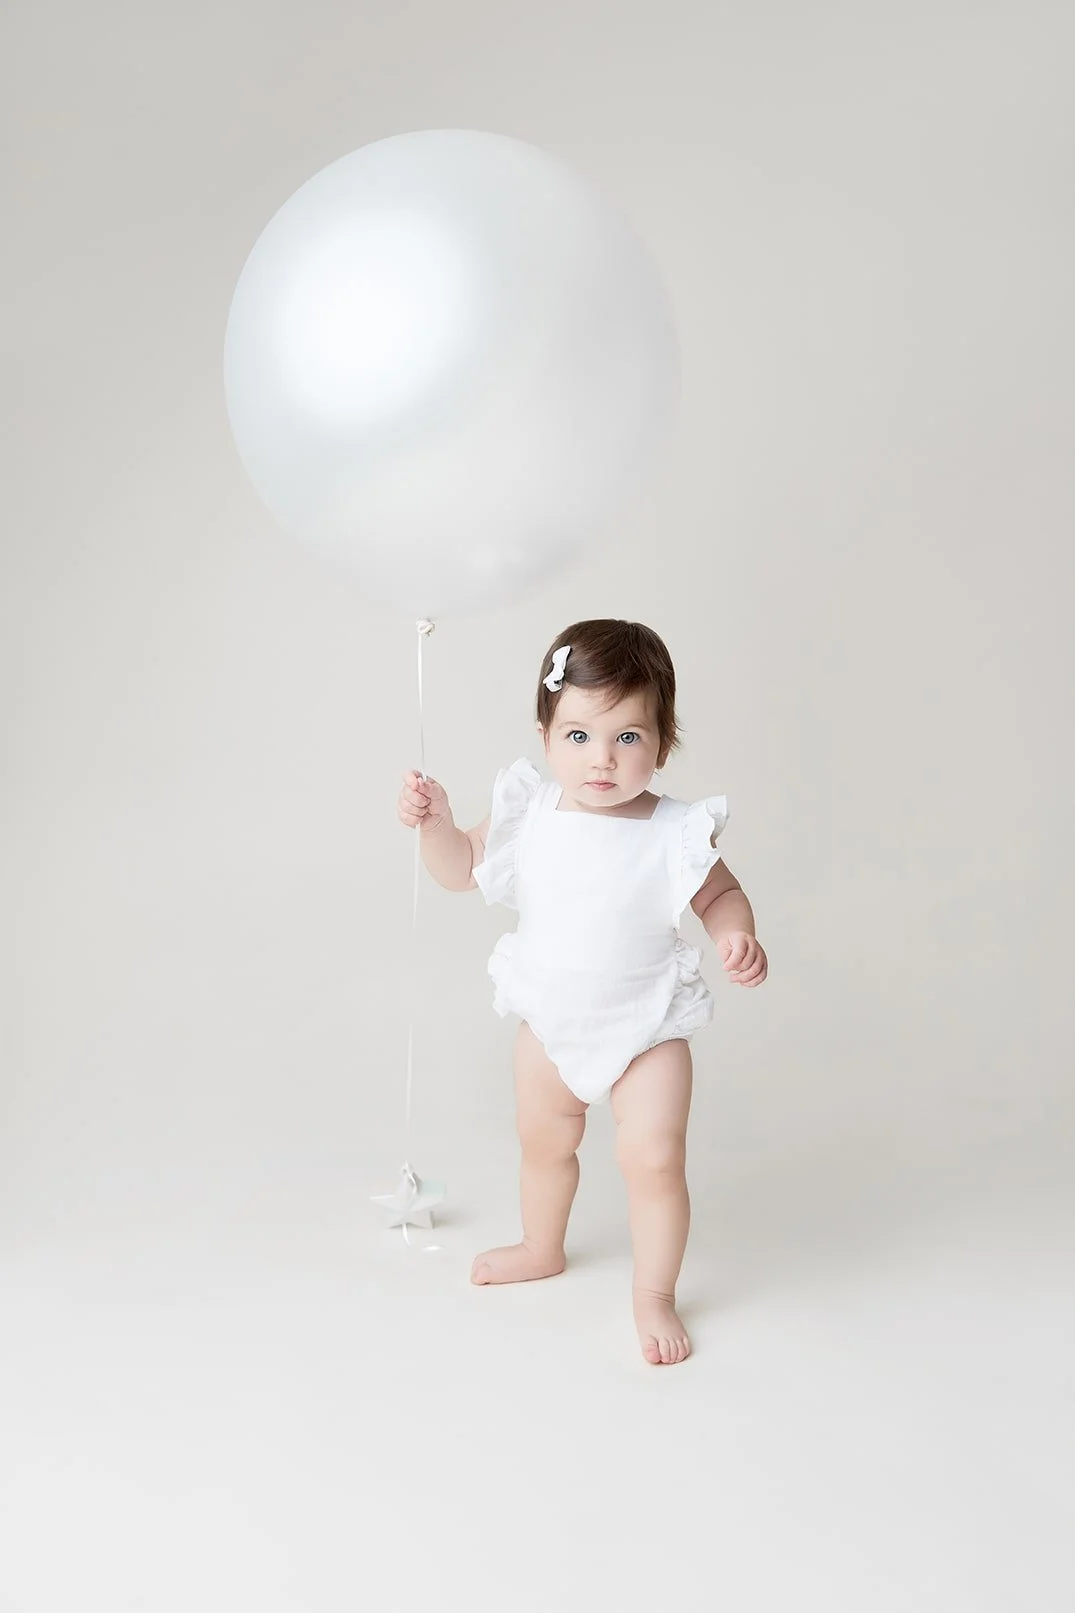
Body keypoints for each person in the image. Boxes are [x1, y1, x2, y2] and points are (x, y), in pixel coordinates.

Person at [396, 619, 768, 1365]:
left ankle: (653, 1293)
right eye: (578, 736)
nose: (601, 758)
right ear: (545, 736)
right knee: (544, 1144)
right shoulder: (529, 813)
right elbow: (458, 869)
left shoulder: (673, 829)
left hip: (646, 1029)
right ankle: (542, 1243)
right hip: (550, 1024)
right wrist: (435, 824)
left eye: (627, 738)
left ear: (662, 744)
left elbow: (721, 895)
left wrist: (735, 932)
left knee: (654, 1159)